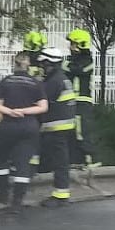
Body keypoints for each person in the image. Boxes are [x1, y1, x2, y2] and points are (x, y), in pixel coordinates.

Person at [0, 52, 49, 211]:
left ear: (14, 64)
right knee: (23, 163)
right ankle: (17, 201)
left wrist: (10, 111)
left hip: (8, 125)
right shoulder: (35, 83)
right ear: (28, 66)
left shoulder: (7, 81)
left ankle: (3, 193)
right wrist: (25, 110)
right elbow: (43, 107)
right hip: (29, 126)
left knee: (1, 159)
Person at [34, 48, 78, 207]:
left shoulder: (53, 82)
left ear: (49, 63)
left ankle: (60, 195)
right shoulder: (63, 78)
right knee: (59, 161)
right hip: (64, 128)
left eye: (43, 64)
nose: (41, 67)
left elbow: (41, 104)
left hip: (55, 129)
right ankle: (59, 192)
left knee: (58, 162)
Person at [64, 28, 96, 166]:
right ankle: (76, 160)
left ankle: (90, 159)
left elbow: (79, 70)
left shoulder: (88, 61)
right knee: (71, 131)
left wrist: (67, 67)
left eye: (73, 44)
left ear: (80, 45)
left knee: (82, 130)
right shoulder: (68, 61)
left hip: (82, 101)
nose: (70, 47)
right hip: (71, 101)